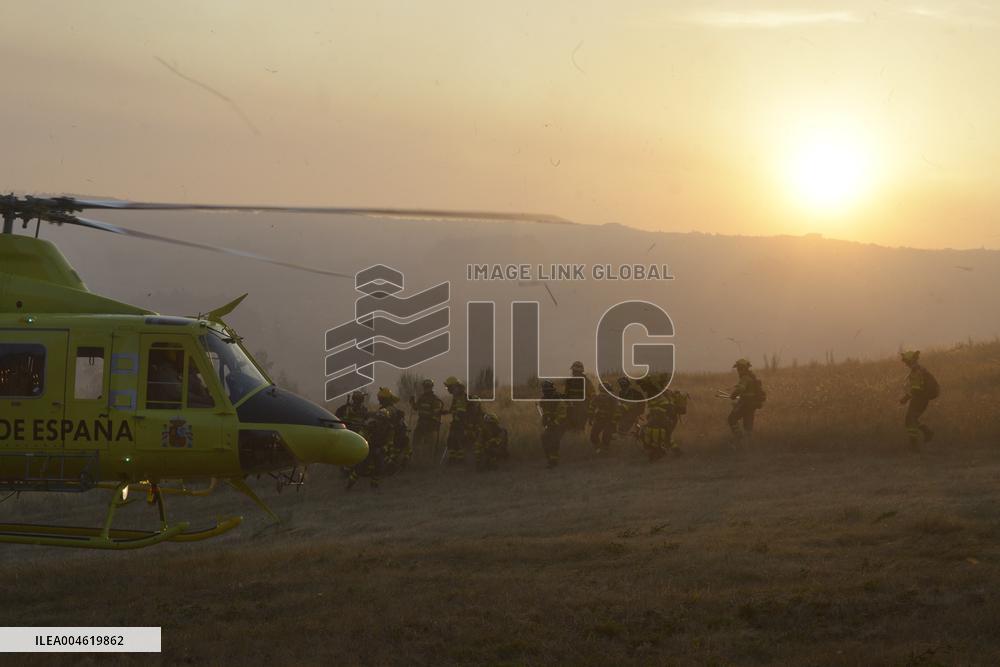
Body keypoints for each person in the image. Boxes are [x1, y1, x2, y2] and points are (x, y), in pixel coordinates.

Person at [637, 375, 687, 461]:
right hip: (667, 418)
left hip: (665, 417)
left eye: (643, 386)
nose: (643, 388)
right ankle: (676, 452)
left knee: (657, 434)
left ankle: (661, 452)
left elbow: (664, 407)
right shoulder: (665, 392)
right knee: (665, 436)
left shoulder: (657, 393)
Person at [899, 350, 940, 449]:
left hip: (919, 400)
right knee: (912, 420)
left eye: (906, 362)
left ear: (910, 361)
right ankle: (927, 432)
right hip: (921, 399)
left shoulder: (915, 371)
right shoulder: (920, 369)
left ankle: (914, 445)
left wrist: (906, 398)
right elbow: (917, 388)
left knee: (909, 420)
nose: (905, 364)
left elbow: (916, 390)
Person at [346, 412, 389, 491]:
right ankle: (349, 484)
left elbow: (387, 440)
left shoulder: (386, 427)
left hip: (378, 450)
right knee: (361, 468)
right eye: (381, 418)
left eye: (384, 419)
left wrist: (383, 448)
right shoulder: (372, 425)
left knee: (379, 468)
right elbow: (362, 435)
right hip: (368, 448)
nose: (382, 421)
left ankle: (374, 486)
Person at [727, 359, 765, 442]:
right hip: (752, 404)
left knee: (731, 419)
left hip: (745, 403)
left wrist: (733, 395)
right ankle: (748, 443)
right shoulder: (752, 378)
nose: (738, 371)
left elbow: (740, 389)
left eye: (739, 368)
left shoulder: (744, 378)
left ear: (743, 368)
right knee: (748, 426)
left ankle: (739, 439)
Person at [375, 386, 410, 473]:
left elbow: (382, 423)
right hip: (393, 435)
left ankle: (389, 466)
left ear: (385, 399)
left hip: (390, 436)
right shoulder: (392, 409)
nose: (379, 401)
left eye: (381, 399)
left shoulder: (388, 410)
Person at [410, 379, 445, 463]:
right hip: (421, 423)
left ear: (431, 387)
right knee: (415, 442)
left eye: (428, 387)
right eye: (425, 387)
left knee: (430, 445)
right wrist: (412, 402)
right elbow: (416, 408)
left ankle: (429, 462)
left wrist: (433, 422)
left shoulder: (435, 399)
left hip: (430, 425)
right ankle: (416, 461)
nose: (426, 388)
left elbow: (436, 413)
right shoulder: (421, 398)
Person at [539, 379, 567, 468]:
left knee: (554, 438)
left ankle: (554, 460)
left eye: (547, 391)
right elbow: (546, 413)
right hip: (551, 424)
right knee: (544, 437)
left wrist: (554, 423)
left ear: (551, 390)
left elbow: (563, 416)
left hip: (560, 424)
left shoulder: (559, 400)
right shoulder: (544, 401)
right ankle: (550, 458)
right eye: (544, 391)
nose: (545, 393)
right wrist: (544, 419)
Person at [443, 376, 470, 465]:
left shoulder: (461, 396)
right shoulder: (456, 396)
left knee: (459, 441)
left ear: (454, 386)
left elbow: (461, 412)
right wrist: (444, 412)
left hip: (460, 424)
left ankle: (460, 460)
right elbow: (453, 410)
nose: (448, 389)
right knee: (451, 441)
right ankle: (452, 459)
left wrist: (457, 420)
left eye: (448, 387)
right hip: (456, 422)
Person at [588, 383, 620, 454]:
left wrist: (614, 422)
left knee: (606, 436)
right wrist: (590, 417)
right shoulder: (597, 397)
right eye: (601, 390)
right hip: (599, 419)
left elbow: (617, 411)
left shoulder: (612, 398)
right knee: (593, 436)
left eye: (604, 390)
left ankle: (605, 450)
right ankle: (599, 449)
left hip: (609, 420)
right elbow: (592, 407)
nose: (602, 393)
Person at [563, 361, 595, 433]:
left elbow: (593, 394)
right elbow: (566, 394)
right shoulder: (569, 381)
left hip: (582, 408)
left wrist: (590, 407)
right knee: (570, 428)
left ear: (579, 371)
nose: (573, 372)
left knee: (579, 429)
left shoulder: (586, 381)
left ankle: (579, 440)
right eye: (573, 370)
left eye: (574, 371)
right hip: (572, 407)